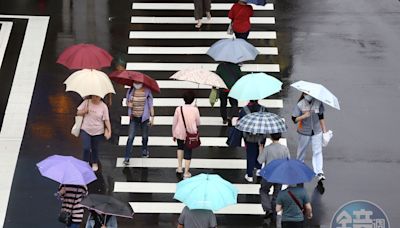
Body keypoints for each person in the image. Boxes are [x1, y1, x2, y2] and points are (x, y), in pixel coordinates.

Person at [292, 93, 328, 181]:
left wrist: (325, 132)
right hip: (304, 132)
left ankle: (319, 172)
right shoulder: (300, 104)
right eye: (306, 94)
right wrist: (304, 116)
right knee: (301, 152)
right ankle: (299, 170)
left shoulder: (318, 103)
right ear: (303, 94)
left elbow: (321, 117)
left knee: (318, 151)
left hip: (316, 131)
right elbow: (294, 119)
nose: (308, 95)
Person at [257, 133, 290, 222]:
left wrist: (261, 149)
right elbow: (288, 161)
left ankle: (268, 209)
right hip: (279, 174)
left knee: (263, 190)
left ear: (271, 137)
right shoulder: (284, 149)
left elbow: (260, 161)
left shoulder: (267, 149)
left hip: (269, 174)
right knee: (276, 194)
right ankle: (274, 210)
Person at [77, 95, 112, 171]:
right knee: (86, 148)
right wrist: (83, 111)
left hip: (98, 131)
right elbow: (78, 112)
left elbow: (106, 119)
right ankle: (85, 163)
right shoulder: (86, 102)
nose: (95, 98)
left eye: (97, 97)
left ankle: (94, 162)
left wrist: (109, 130)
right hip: (85, 129)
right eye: (94, 96)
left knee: (95, 148)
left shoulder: (103, 106)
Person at [123, 81, 155, 165]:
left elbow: (150, 104)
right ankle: (127, 157)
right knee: (130, 137)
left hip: (144, 118)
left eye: (138, 83)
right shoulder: (130, 91)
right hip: (134, 117)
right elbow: (127, 101)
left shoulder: (147, 91)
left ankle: (144, 150)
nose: (137, 84)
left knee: (144, 136)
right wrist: (128, 104)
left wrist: (152, 117)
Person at [172, 90, 200, 179]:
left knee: (180, 148)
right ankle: (186, 172)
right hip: (190, 134)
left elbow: (174, 122)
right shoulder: (195, 110)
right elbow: (198, 123)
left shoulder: (178, 109)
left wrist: (173, 133)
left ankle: (179, 167)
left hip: (179, 132)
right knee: (188, 151)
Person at [238, 100, 267, 182]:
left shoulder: (244, 110)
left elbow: (240, 123)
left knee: (250, 155)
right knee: (260, 152)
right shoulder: (263, 109)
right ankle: (259, 169)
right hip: (261, 136)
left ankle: (249, 174)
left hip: (249, 137)